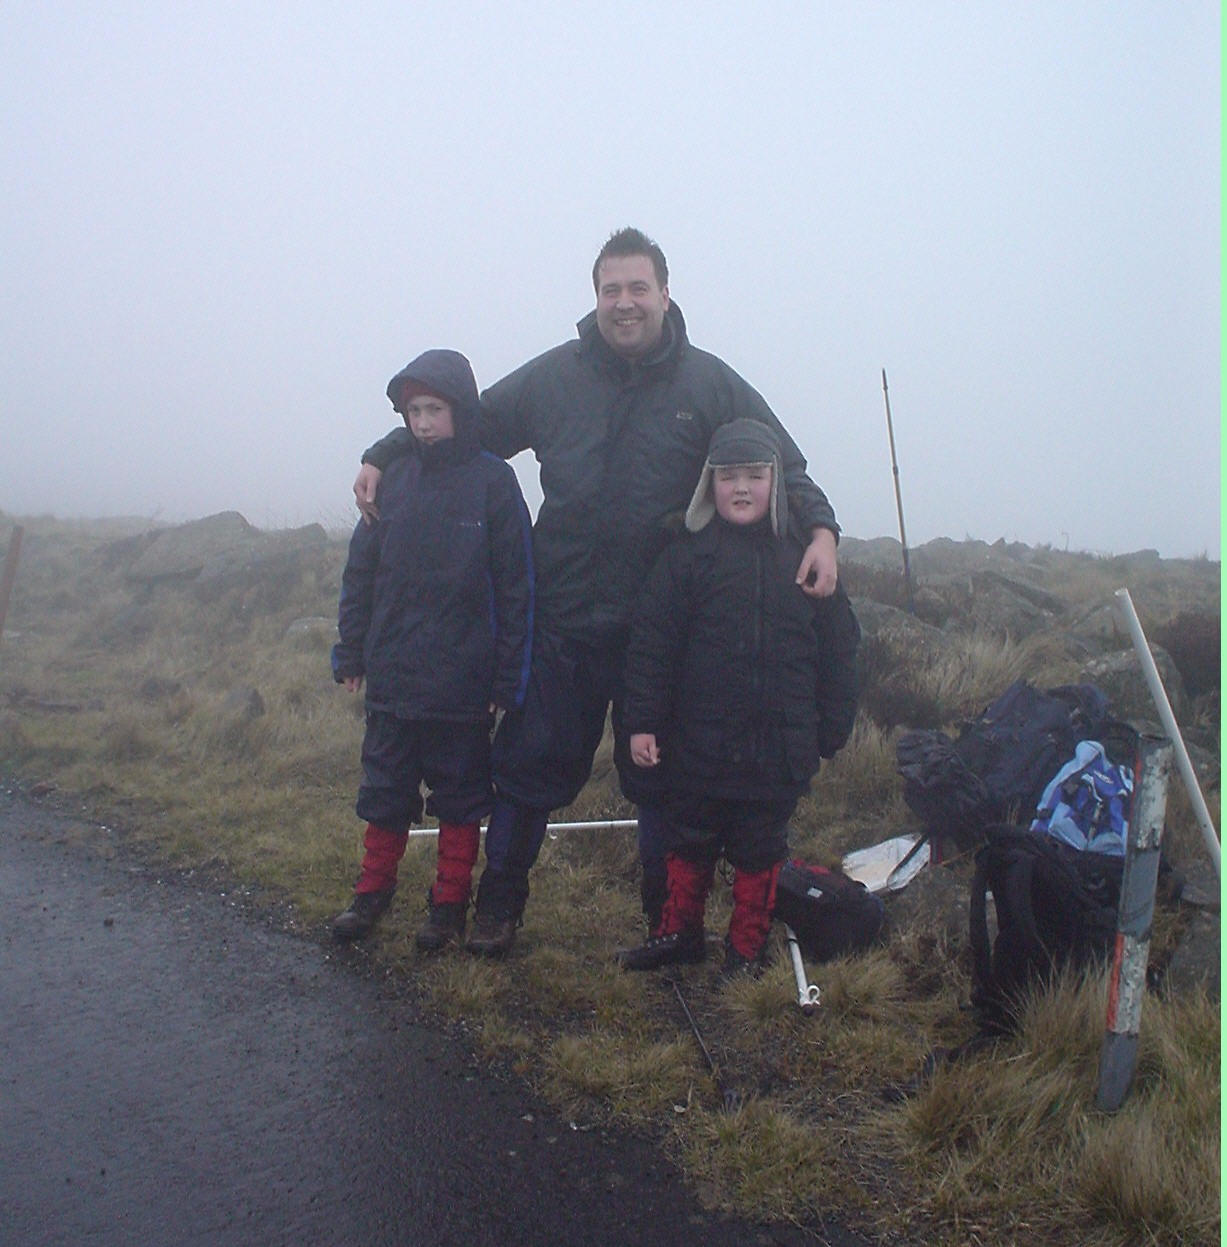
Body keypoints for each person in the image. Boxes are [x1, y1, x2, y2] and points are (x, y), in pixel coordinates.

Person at [352, 227, 840, 957]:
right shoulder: (555, 376)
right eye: (611, 289)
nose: (624, 303)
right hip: (562, 616)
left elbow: (783, 462)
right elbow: (464, 421)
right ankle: (499, 907)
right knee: (526, 770)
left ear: (666, 294)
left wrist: (823, 532)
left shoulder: (709, 384)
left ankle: (660, 920)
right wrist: (385, 452)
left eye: (638, 287)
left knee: (658, 781)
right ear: (596, 297)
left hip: (665, 628)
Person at [615, 420, 859, 976]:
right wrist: (643, 723)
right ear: (709, 484)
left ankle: (746, 949)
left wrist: (832, 727)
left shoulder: (808, 560)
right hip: (695, 746)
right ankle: (679, 934)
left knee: (760, 849)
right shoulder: (685, 557)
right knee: (689, 840)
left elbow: (840, 651)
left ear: (777, 484)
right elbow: (650, 647)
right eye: (728, 477)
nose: (742, 488)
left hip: (777, 751)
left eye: (755, 475)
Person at [331, 349, 533, 949]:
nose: (422, 422)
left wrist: (507, 682)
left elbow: (518, 586)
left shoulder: (494, 481)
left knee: (461, 800)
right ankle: (371, 895)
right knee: (384, 793)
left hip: (463, 687)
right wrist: (351, 653)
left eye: (434, 409)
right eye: (413, 410)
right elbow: (360, 575)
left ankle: (447, 908)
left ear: (460, 410)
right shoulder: (391, 481)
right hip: (393, 678)